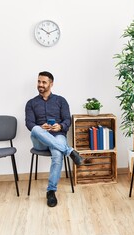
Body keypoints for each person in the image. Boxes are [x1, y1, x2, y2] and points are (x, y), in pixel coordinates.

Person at [25, 71, 83, 207]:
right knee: (35, 129)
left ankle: (51, 191)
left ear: (51, 84)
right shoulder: (31, 103)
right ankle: (70, 151)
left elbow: (67, 120)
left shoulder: (61, 101)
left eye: (44, 82)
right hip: (40, 140)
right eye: (39, 81)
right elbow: (29, 124)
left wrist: (60, 126)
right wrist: (41, 127)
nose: (40, 84)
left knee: (57, 154)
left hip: (57, 136)